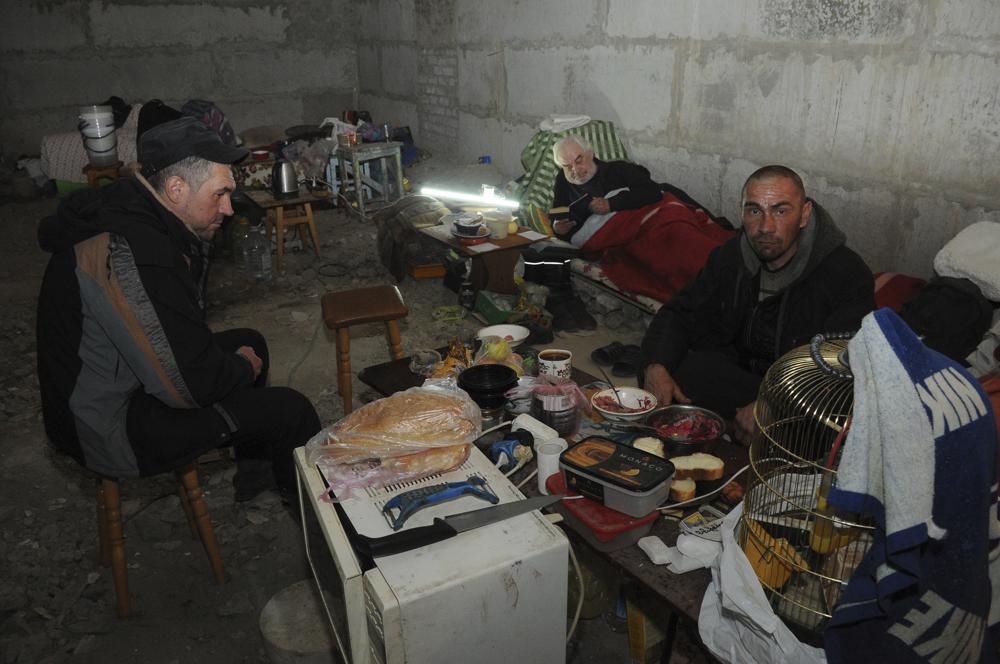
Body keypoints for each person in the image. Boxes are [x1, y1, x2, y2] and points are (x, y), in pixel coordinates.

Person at [36, 117, 321, 503]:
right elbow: (186, 388)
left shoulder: (134, 209)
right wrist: (239, 369)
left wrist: (233, 364)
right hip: (106, 423)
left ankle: (258, 473)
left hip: (112, 384)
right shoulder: (138, 254)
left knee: (250, 341)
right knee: (292, 411)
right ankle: (318, 529)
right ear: (175, 189)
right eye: (219, 194)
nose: (229, 209)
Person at [639, 165, 874, 442]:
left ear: (804, 215)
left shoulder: (845, 273)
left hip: (801, 392)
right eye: (754, 211)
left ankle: (735, 430)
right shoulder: (730, 257)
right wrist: (655, 365)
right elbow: (680, 312)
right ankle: (727, 430)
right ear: (742, 213)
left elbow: (842, 364)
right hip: (742, 379)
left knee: (830, 424)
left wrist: (772, 403)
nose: (765, 227)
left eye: (780, 210)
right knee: (665, 370)